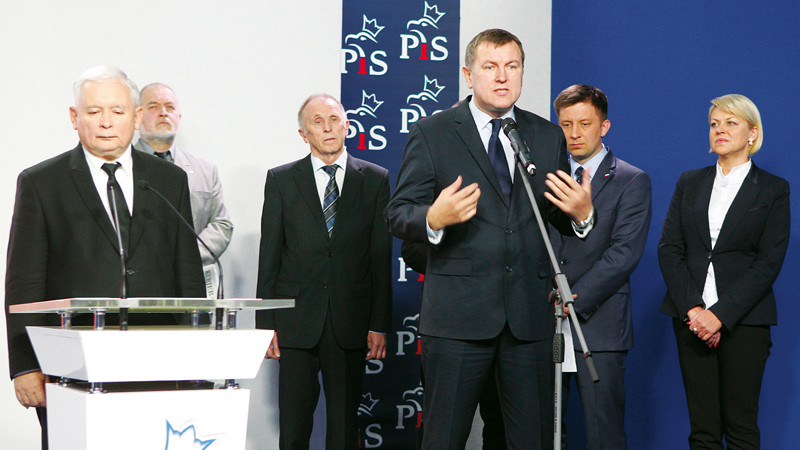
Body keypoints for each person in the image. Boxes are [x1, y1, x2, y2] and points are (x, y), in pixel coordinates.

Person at [385, 29, 595, 449]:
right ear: (469, 75)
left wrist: (582, 214)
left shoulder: (545, 135)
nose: (502, 76)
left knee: (529, 440)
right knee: (443, 438)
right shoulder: (433, 132)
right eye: (491, 67)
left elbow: (552, 214)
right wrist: (433, 217)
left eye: (512, 66)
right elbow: (398, 214)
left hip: (527, 322)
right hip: (457, 321)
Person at [4, 66, 206, 449]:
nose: (106, 122)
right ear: (74, 117)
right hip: (71, 364)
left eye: (117, 111)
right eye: (94, 111)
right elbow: (24, 283)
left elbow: (188, 275)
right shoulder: (42, 183)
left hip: (158, 361)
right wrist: (26, 365)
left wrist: (197, 353)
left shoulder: (169, 180)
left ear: (136, 116)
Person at [256, 94, 392, 448]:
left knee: (344, 429)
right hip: (296, 322)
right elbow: (269, 257)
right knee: (293, 428)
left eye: (334, 119)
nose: (328, 127)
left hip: (350, 321)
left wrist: (379, 323)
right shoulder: (281, 180)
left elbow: (380, 258)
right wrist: (265, 324)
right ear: (304, 134)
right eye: (317, 122)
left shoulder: (375, 179)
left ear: (347, 126)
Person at [658, 94, 789, 449]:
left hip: (745, 322)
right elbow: (669, 249)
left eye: (731, 123)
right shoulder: (689, 182)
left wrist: (719, 316)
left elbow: (768, 262)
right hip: (690, 320)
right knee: (703, 430)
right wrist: (695, 311)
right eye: (714, 124)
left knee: (741, 428)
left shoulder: (774, 189)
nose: (720, 130)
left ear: (752, 133)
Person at [551, 84, 651, 449]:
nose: (574, 133)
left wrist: (574, 299)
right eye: (566, 125)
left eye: (585, 123)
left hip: (600, 325)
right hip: (544, 322)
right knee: (544, 431)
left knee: (603, 433)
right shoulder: (547, 177)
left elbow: (623, 254)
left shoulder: (631, 180)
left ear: (604, 126)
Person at [134, 83, 233, 294]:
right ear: (137, 116)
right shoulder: (121, 167)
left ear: (179, 116)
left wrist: (186, 256)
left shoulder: (205, 170)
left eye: (170, 107)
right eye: (153, 107)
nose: (163, 113)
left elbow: (222, 224)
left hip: (193, 281)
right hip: (140, 282)